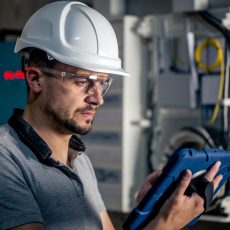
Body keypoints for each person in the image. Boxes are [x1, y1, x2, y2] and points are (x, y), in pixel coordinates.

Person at [0, 1, 223, 230]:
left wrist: (152, 213)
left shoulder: (78, 160)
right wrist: (165, 225)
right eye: (82, 82)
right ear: (36, 79)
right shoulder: (6, 159)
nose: (98, 99)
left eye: (102, 83)